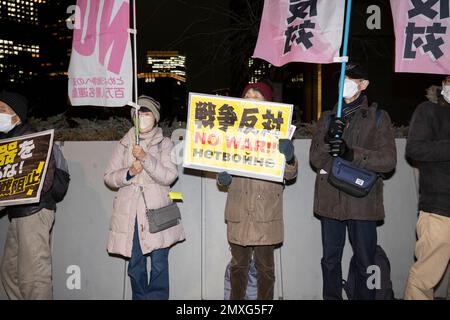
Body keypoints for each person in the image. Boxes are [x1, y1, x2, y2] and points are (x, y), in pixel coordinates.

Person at [309, 63, 397, 300]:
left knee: (366, 261)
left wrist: (352, 154)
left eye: (349, 79)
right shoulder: (327, 118)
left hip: (363, 202)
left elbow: (388, 161)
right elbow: (316, 159)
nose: (342, 84)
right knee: (330, 260)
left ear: (363, 84)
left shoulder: (378, 117)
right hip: (330, 201)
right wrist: (329, 141)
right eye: (340, 79)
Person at [217, 82, 298, 300]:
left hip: (266, 213)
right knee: (238, 267)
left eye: (257, 96)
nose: (251, 99)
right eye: (247, 95)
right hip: (239, 211)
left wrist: (289, 157)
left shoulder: (278, 132)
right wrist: (223, 177)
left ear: (268, 104)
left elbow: (290, 174)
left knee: (266, 270)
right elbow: (222, 167)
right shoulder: (230, 133)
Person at [104, 95, 185, 300]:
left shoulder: (164, 143)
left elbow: (169, 175)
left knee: (159, 263)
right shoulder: (124, 144)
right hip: (130, 212)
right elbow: (109, 177)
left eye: (147, 112)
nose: (142, 116)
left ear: (155, 117)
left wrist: (146, 159)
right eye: (139, 112)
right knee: (135, 263)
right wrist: (129, 172)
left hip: (157, 211)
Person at [0, 91, 56, 299]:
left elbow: (46, 180)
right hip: (17, 213)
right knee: (10, 273)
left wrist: (22, 190)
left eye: (3, 109)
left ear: (17, 115)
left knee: (33, 276)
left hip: (35, 211)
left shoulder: (33, 140)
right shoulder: (6, 141)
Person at [404, 75, 450, 300]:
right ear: (444, 83)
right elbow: (414, 149)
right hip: (439, 210)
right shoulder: (427, 111)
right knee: (424, 278)